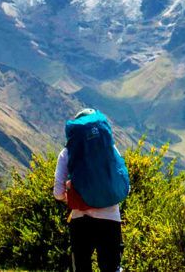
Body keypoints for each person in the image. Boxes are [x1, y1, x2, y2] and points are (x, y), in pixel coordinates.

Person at [54, 108, 127, 272]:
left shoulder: (66, 153)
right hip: (110, 218)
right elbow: (123, 183)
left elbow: (58, 193)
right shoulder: (110, 148)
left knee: (82, 267)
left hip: (80, 220)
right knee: (112, 268)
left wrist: (73, 198)